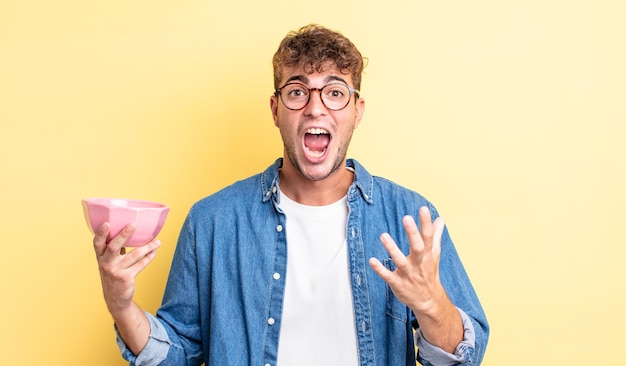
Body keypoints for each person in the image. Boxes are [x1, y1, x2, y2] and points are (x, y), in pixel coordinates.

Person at [93, 24, 489, 366]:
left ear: (357, 110)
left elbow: (463, 355)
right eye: (298, 92)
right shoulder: (212, 222)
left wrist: (432, 304)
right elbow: (176, 354)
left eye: (334, 93)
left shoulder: (409, 217)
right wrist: (122, 306)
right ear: (275, 108)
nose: (316, 108)